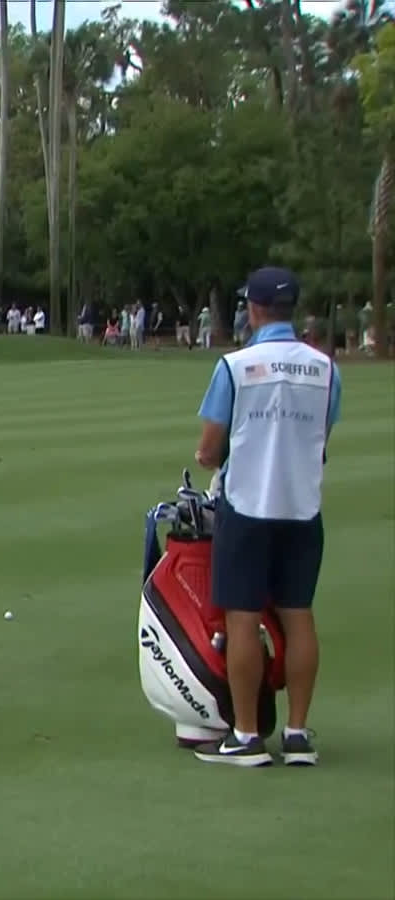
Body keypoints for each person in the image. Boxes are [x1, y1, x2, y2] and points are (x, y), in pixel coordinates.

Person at [192, 266, 341, 767]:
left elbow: (211, 449)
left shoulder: (235, 365)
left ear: (254, 310)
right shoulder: (325, 368)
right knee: (299, 616)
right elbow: (322, 436)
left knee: (243, 619)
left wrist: (207, 455)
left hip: (248, 505)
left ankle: (248, 735)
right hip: (302, 506)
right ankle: (297, 734)